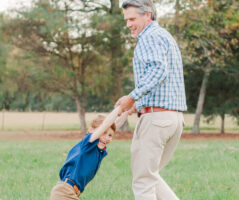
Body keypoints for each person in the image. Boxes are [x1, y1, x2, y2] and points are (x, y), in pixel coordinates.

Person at [115, 0, 187, 199]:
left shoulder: (149, 37)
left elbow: (158, 72)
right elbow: (163, 81)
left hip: (156, 120)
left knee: (143, 182)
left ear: (147, 15)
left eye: (132, 19)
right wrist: (135, 104)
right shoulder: (164, 36)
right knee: (150, 177)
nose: (128, 24)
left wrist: (132, 98)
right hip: (173, 120)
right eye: (126, 20)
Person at [50, 114, 116, 200]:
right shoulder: (87, 144)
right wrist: (120, 107)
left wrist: (126, 109)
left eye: (110, 135)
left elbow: (116, 123)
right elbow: (105, 125)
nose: (106, 137)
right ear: (91, 129)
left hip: (71, 192)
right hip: (64, 192)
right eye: (103, 132)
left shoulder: (98, 151)